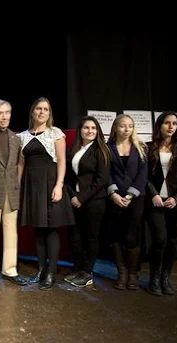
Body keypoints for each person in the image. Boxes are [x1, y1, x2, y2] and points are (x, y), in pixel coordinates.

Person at [18, 97, 74, 290]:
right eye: (39, 109)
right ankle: (41, 270)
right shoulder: (22, 136)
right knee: (39, 229)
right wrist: (18, 187)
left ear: (49, 114)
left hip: (50, 183)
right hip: (32, 186)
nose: (42, 112)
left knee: (51, 229)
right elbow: (20, 164)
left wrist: (59, 185)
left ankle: (51, 273)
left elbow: (61, 160)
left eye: (46, 109)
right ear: (32, 112)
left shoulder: (55, 133)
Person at [146, 111, 177, 296]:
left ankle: (165, 278)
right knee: (159, 239)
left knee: (173, 241)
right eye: (167, 122)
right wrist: (153, 194)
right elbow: (144, 176)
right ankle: (154, 278)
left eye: (174, 123)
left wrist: (176, 197)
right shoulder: (149, 147)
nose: (171, 126)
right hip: (155, 201)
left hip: (175, 201)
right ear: (160, 125)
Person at [0, 99, 27, 287]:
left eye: (7, 112)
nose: (5, 116)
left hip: (11, 191)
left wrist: (16, 183)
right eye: (0, 113)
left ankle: (10, 270)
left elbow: (18, 164)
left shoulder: (16, 138)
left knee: (11, 231)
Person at [64, 116, 110, 287]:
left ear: (97, 131)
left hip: (94, 201)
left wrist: (81, 198)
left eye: (93, 128)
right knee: (74, 237)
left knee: (90, 237)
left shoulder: (101, 151)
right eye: (86, 128)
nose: (90, 131)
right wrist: (72, 196)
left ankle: (87, 272)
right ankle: (78, 268)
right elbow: (68, 176)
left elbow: (102, 180)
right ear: (80, 130)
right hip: (74, 199)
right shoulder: (73, 149)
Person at [106, 114, 148, 291]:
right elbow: (104, 173)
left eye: (130, 126)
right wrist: (113, 193)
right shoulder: (107, 148)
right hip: (114, 198)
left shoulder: (141, 148)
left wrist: (130, 195)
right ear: (115, 127)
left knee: (132, 236)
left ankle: (132, 274)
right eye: (123, 126)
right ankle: (121, 272)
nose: (126, 129)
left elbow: (143, 175)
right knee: (115, 235)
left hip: (135, 199)